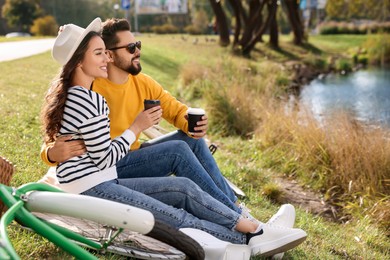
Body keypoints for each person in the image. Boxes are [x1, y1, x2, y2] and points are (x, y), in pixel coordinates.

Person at [40, 17, 307, 257]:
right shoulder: (91, 88)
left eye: (138, 45)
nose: (138, 52)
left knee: (187, 145)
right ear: (109, 54)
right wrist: (52, 153)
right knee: (177, 164)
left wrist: (191, 123)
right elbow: (66, 141)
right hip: (107, 170)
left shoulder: (138, 83)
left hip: (114, 166)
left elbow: (174, 108)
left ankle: (243, 218)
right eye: (130, 48)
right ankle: (253, 233)